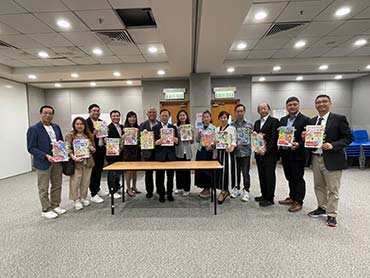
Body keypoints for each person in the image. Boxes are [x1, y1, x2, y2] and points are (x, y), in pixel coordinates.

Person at [306, 94, 353, 227]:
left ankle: (332, 214)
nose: (321, 104)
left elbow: (349, 138)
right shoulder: (312, 121)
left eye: (324, 102)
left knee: (333, 188)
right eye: (318, 102)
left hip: (332, 158)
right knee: (319, 186)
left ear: (330, 103)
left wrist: (333, 145)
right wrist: (306, 136)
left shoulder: (339, 119)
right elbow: (311, 140)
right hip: (316, 158)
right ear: (315, 105)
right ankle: (322, 207)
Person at [27, 105, 66, 219]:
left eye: (50, 113)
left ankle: (55, 205)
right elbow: (31, 148)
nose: (48, 115)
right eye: (45, 113)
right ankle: (46, 209)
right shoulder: (34, 129)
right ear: (41, 114)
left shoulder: (56, 127)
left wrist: (63, 151)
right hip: (43, 162)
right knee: (43, 187)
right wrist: (45, 155)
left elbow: (60, 142)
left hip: (57, 161)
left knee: (57, 184)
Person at [278, 97, 310, 212]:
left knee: (298, 178)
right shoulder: (282, 120)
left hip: (298, 154)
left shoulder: (306, 120)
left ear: (298, 105)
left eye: (294, 104)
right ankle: (292, 197)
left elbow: (308, 138)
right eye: (290, 105)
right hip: (285, 153)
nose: (292, 107)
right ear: (286, 107)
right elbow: (281, 136)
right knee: (289, 177)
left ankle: (298, 201)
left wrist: (299, 144)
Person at [65, 117, 96, 210]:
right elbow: (67, 148)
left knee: (86, 181)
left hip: (88, 162)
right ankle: (76, 200)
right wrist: (73, 157)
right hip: (76, 162)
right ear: (74, 125)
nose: (79, 126)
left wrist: (92, 149)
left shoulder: (88, 135)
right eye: (77, 124)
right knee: (76, 181)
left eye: (81, 124)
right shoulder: (70, 135)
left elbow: (94, 148)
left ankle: (83, 197)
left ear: (84, 125)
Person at [253, 103, 280, 207]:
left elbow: (274, 139)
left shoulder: (274, 121)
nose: (263, 110)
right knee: (262, 175)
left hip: (269, 154)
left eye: (265, 108)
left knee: (269, 176)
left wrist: (266, 149)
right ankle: (263, 195)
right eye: (260, 109)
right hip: (259, 154)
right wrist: (256, 148)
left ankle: (270, 198)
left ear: (269, 109)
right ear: (258, 111)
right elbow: (255, 138)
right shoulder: (257, 122)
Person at [153, 109, 179, 202]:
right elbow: (152, 142)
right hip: (159, 155)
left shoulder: (173, 127)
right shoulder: (155, 128)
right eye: (163, 115)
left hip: (171, 155)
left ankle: (169, 193)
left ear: (169, 117)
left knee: (170, 176)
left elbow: (177, 141)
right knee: (159, 177)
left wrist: (175, 140)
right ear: (160, 117)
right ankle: (161, 194)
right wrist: (157, 142)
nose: (164, 117)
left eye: (166, 115)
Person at [231, 104, 253, 202]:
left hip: (246, 152)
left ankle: (246, 191)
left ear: (244, 112)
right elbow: (229, 138)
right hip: (235, 152)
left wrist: (253, 134)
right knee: (236, 173)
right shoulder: (232, 125)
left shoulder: (249, 124)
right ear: (235, 112)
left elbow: (255, 138)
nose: (240, 113)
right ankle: (237, 189)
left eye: (241, 111)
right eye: (238, 111)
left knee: (245, 173)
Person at [86, 104, 107, 204]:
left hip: (101, 149)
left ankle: (98, 189)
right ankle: (93, 194)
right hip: (92, 150)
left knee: (99, 171)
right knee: (93, 172)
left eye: (98, 111)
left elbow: (104, 135)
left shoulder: (102, 122)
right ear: (89, 112)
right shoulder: (86, 123)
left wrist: (106, 138)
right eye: (94, 111)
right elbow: (84, 137)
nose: (96, 112)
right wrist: (93, 133)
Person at [215, 111, 237, 205]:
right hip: (219, 153)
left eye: (225, 117)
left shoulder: (232, 128)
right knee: (220, 171)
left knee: (227, 171)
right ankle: (222, 189)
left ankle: (225, 190)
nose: (223, 119)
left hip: (228, 153)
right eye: (221, 117)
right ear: (219, 119)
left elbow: (234, 140)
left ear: (227, 118)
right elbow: (215, 140)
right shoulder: (216, 129)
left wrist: (232, 146)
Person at [139, 107, 160, 199]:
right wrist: (142, 135)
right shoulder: (142, 125)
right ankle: (149, 191)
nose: (152, 114)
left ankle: (160, 189)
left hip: (159, 152)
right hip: (147, 153)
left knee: (160, 173)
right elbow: (138, 139)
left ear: (156, 114)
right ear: (147, 114)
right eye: (150, 112)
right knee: (148, 173)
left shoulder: (160, 124)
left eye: (154, 112)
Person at [195, 110, 216, 198]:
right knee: (200, 169)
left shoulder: (214, 128)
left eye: (207, 117)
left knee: (207, 170)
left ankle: (208, 188)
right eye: (204, 117)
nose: (206, 118)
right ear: (202, 119)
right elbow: (197, 140)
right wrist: (198, 135)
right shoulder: (200, 128)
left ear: (210, 118)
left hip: (209, 151)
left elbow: (216, 141)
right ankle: (204, 187)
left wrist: (212, 145)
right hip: (201, 151)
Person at [122, 111, 141, 197]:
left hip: (136, 150)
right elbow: (120, 139)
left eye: (134, 117)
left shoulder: (138, 127)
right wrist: (123, 137)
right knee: (128, 170)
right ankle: (128, 188)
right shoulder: (124, 128)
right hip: (128, 151)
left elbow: (142, 139)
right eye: (130, 117)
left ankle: (134, 186)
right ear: (127, 118)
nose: (132, 119)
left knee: (135, 170)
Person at [174, 110, 193, 196]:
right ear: (178, 117)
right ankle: (179, 187)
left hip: (187, 152)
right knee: (178, 171)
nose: (182, 117)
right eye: (180, 115)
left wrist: (191, 135)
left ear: (186, 117)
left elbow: (192, 141)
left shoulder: (190, 127)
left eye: (183, 115)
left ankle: (187, 189)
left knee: (186, 172)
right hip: (179, 151)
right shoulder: (175, 127)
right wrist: (177, 131)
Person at [106, 110, 124, 199]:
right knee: (112, 172)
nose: (116, 117)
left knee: (119, 172)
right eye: (114, 116)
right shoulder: (108, 127)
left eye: (117, 116)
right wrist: (121, 138)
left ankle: (117, 187)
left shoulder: (122, 127)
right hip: (112, 153)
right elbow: (108, 141)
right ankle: (112, 190)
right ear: (111, 117)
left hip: (121, 153)